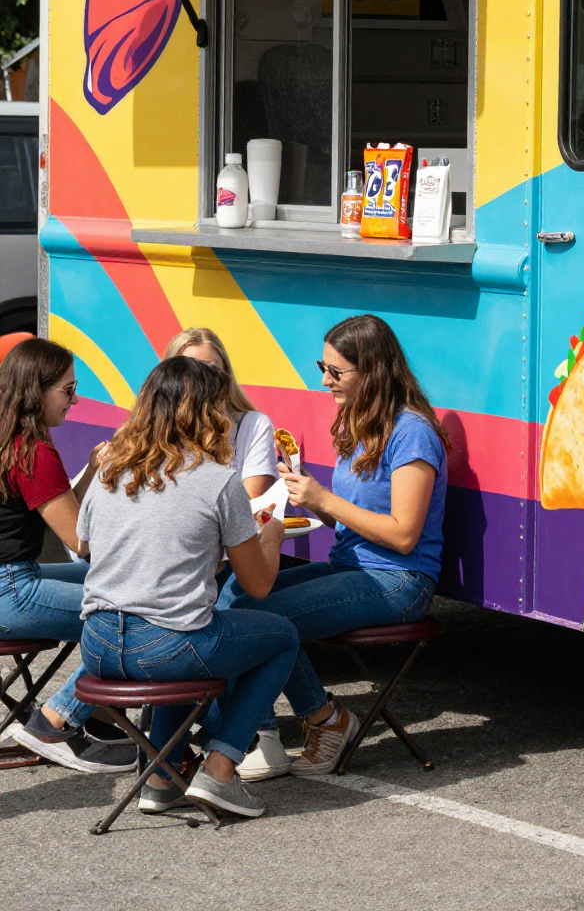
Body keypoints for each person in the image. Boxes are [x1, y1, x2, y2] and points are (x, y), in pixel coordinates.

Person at [222, 314, 447, 776]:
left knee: (265, 620)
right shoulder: (361, 422)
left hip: (399, 580)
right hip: (352, 566)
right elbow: (354, 516)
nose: (325, 380)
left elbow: (404, 535)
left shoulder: (413, 432)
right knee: (237, 598)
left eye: (336, 371)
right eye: (321, 367)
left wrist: (325, 499)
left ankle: (325, 720)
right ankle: (258, 731)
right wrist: (311, 498)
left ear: (374, 371)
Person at [75, 355, 296, 818]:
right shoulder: (218, 481)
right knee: (279, 637)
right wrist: (270, 537)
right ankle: (219, 769)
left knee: (194, 634)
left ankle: (161, 775)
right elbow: (257, 584)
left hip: (96, 645)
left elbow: (86, 546)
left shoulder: (111, 469)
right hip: (165, 647)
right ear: (205, 413)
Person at [1, 337, 137, 773]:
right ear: (34, 391)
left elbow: (63, 515)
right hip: (13, 590)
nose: (74, 401)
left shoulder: (11, 440)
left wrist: (95, 470)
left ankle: (99, 711)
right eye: (67, 390)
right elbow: (82, 541)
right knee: (137, 620)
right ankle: (54, 721)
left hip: (14, 578)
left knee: (125, 592)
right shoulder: (34, 452)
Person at [165, 327, 278, 501]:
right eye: (191, 369)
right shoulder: (155, 425)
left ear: (225, 374)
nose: (202, 379)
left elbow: (249, 506)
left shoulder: (253, 425)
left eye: (211, 369)